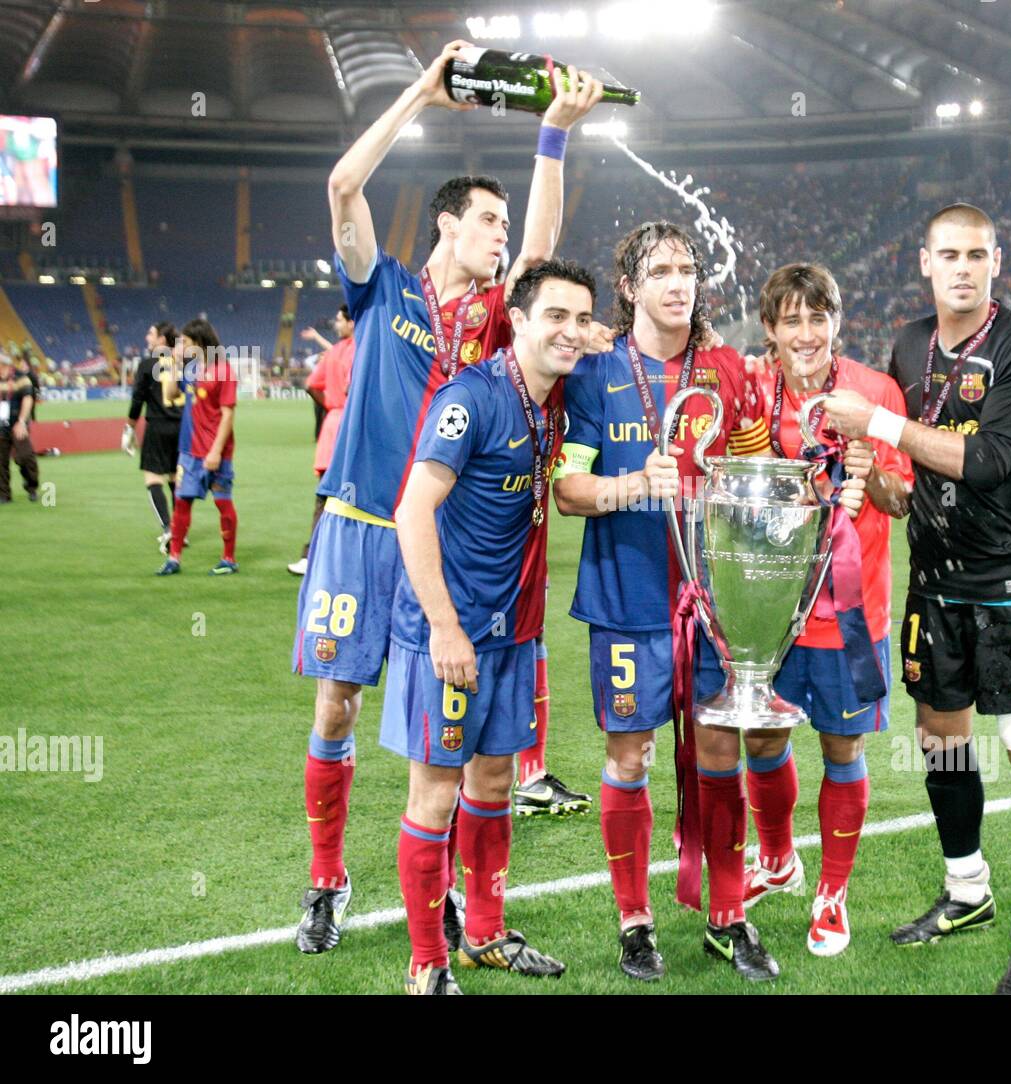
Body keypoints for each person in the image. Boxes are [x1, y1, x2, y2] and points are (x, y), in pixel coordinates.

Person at [291, 39, 604, 956]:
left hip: (452, 548)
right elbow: (345, 186)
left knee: (462, 746)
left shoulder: (496, 320)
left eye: (505, 226)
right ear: (446, 228)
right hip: (360, 530)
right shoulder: (380, 287)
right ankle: (326, 879)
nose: (503, 237)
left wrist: (552, 139)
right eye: (488, 222)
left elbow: (544, 257)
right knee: (337, 707)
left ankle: (464, 908)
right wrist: (423, 92)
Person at [822, 203, 1011, 995]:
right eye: (948, 254)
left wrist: (883, 427)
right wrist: (884, 482)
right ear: (924, 262)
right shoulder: (905, 344)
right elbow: (907, 479)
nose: (962, 267)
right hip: (936, 583)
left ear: (996, 262)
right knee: (942, 741)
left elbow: (993, 460)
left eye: (977, 254)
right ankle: (967, 890)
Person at [553, 221, 776, 983]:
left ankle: (727, 913)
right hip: (625, 599)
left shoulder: (727, 371)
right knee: (630, 756)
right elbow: (566, 491)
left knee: (721, 755)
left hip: (714, 604)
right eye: (662, 271)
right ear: (630, 286)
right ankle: (634, 921)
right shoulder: (594, 371)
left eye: (688, 269)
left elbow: (757, 483)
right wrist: (629, 486)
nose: (679, 283)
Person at [385, 259, 595, 993]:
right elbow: (411, 511)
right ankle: (428, 965)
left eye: (581, 318)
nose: (569, 331)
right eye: (555, 317)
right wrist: (444, 628)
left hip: (513, 633)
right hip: (450, 634)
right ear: (521, 320)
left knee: (496, 781)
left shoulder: (555, 399)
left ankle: (483, 934)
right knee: (435, 793)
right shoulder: (469, 399)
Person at [740, 264, 911, 957]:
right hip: (770, 614)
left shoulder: (876, 393)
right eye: (792, 320)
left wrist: (874, 473)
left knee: (843, 747)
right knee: (762, 740)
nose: (806, 334)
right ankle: (778, 859)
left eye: (819, 318)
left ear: (836, 323)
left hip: (850, 614)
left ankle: (832, 894)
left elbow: (904, 502)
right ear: (771, 328)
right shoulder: (753, 390)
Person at [156, 318, 239, 575]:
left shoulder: (223, 370)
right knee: (181, 503)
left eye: (186, 342)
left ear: (200, 343)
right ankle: (174, 559)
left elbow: (227, 415)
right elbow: (169, 395)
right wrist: (175, 364)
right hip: (189, 451)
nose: (181, 345)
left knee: (223, 504)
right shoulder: (190, 370)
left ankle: (229, 559)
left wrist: (215, 451)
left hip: (216, 452)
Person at [289, 307, 355, 575]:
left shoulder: (335, 351)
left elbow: (311, 385)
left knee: (324, 495)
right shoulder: (363, 348)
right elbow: (354, 388)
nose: (336, 325)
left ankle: (312, 556)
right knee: (356, 496)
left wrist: (330, 406)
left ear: (351, 322)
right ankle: (348, 558)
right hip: (352, 428)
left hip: (332, 427)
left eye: (339, 320)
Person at [128, 322, 184, 553]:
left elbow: (138, 400)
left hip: (158, 427)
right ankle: (181, 531)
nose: (147, 336)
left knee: (153, 480)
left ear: (161, 340)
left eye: (151, 333)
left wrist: (129, 428)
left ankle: (168, 529)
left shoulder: (147, 364)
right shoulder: (185, 363)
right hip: (181, 428)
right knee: (175, 480)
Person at [0, 352, 39, 503]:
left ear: (6, 365)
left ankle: (31, 486)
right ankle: (4, 494)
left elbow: (28, 399)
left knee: (25, 456)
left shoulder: (21, 378)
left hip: (17, 425)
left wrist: (22, 421)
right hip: (0, 427)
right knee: (1, 462)